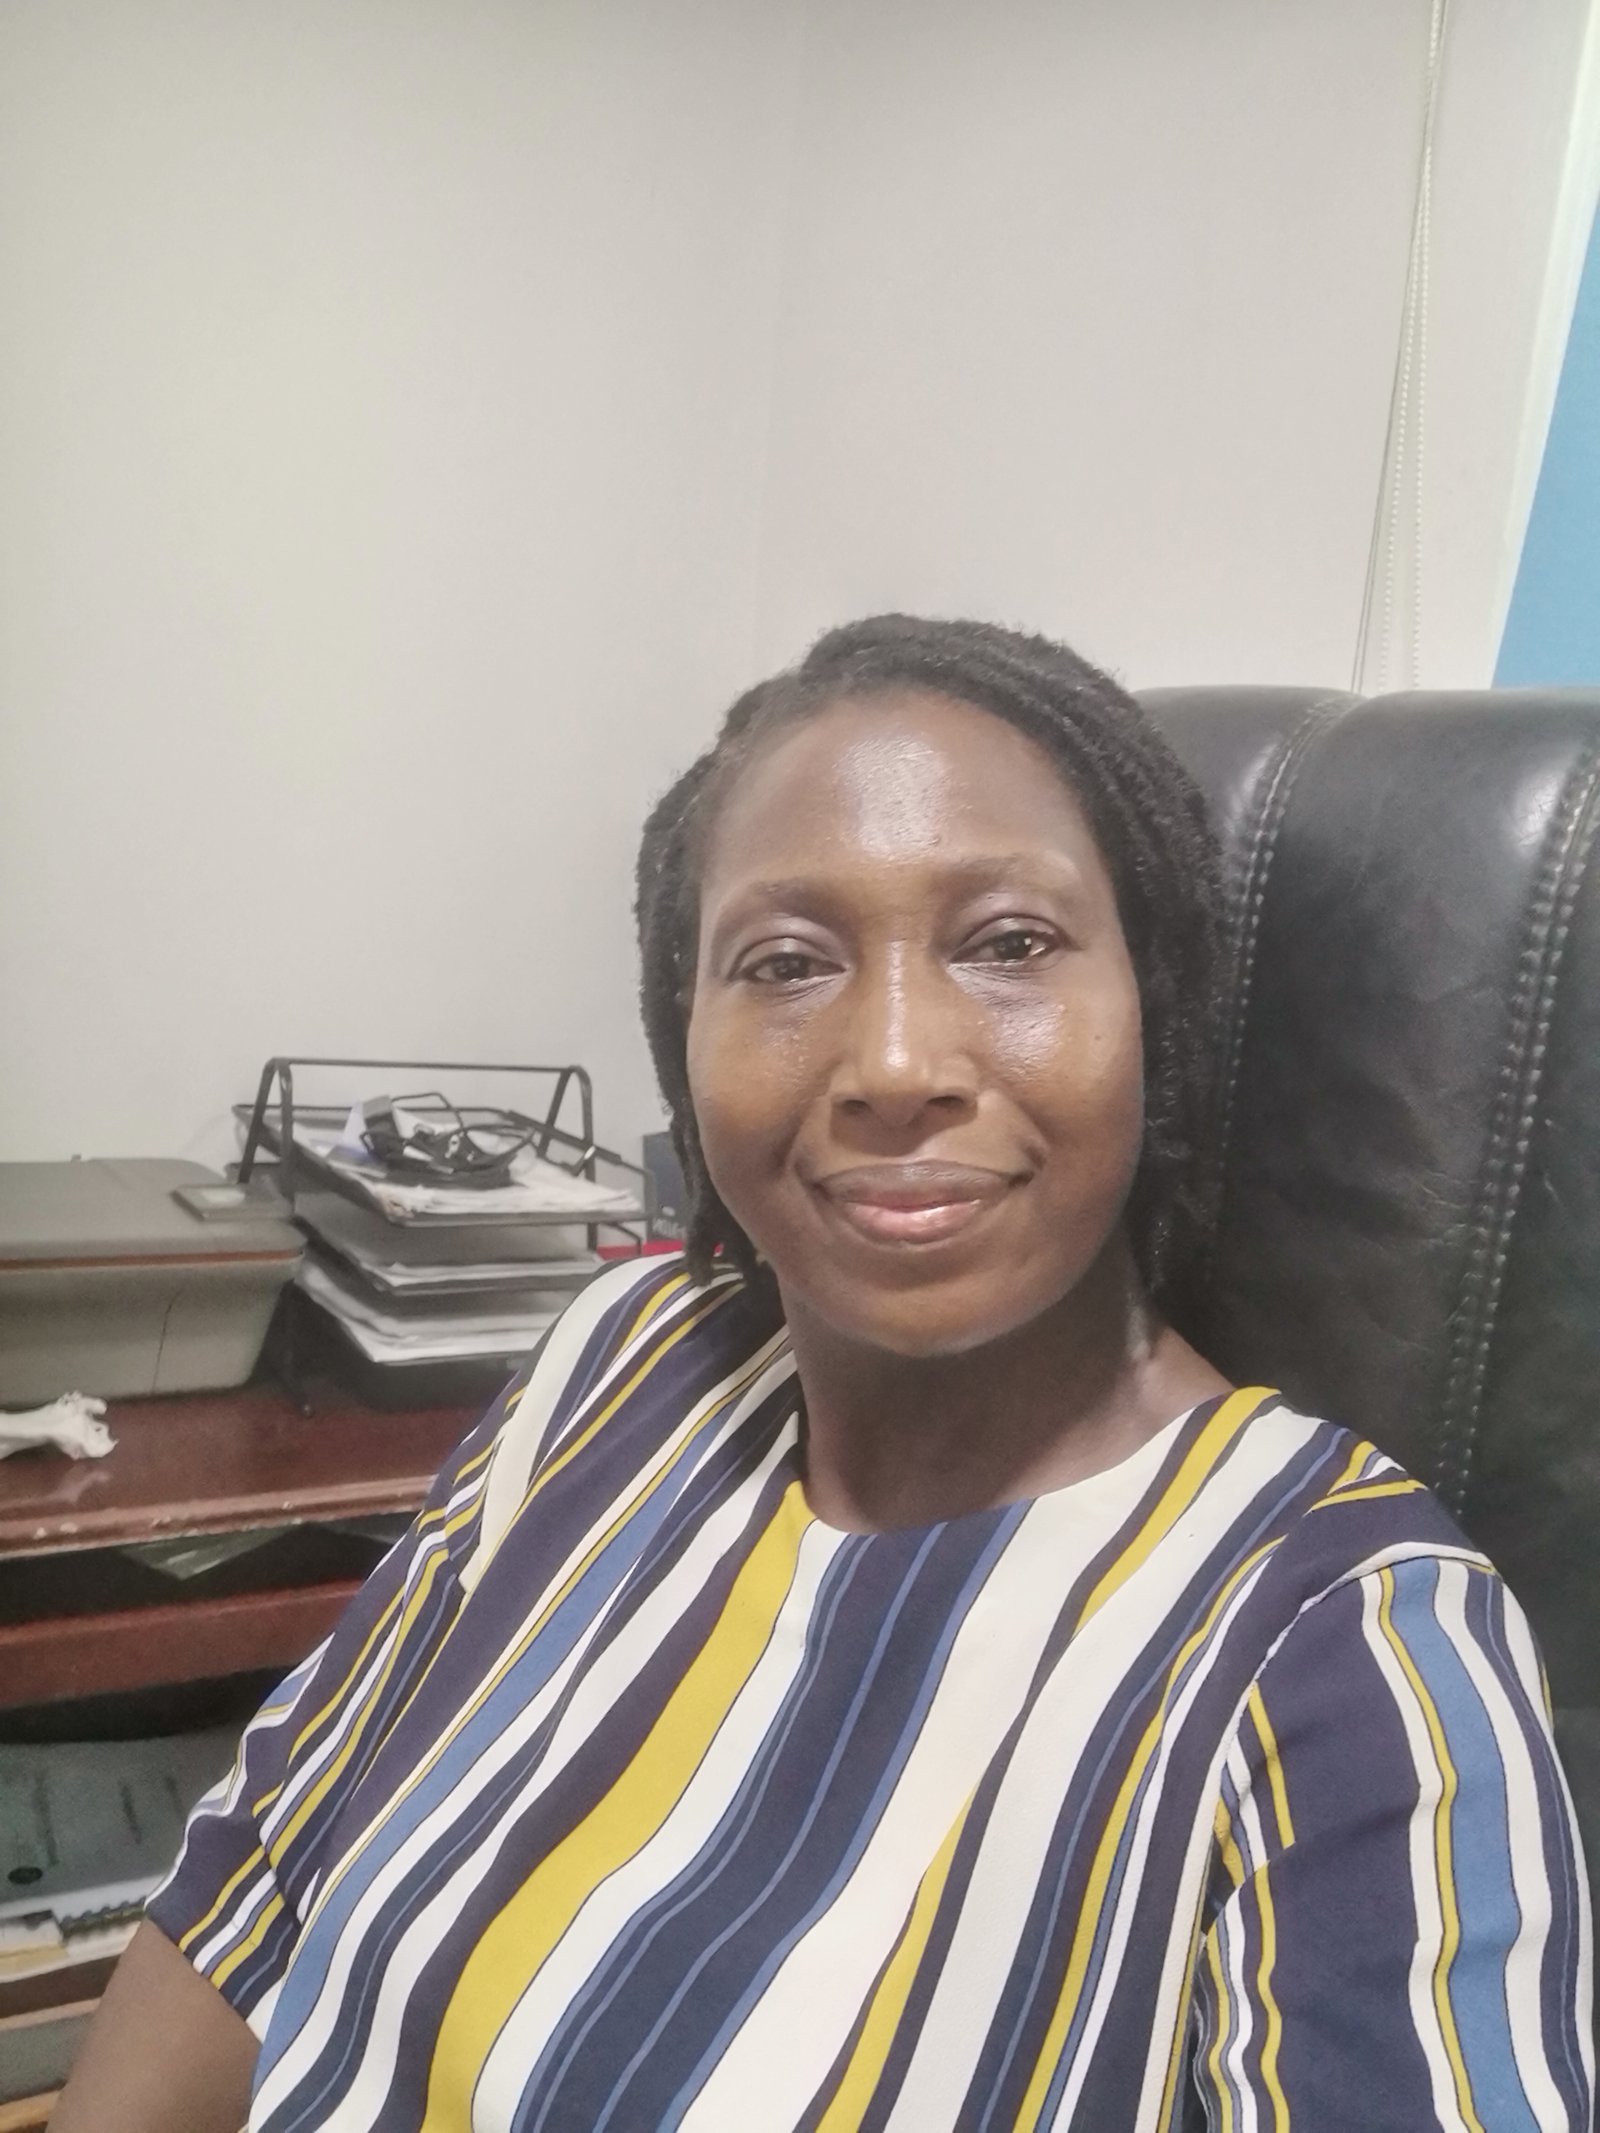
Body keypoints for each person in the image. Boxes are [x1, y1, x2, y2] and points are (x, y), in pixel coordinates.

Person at [56, 616, 1593, 2131]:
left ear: (1156, 1015)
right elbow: (263, 1875)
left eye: (1008, 942)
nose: (894, 1062)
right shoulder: (624, 1358)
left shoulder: (1350, 1642)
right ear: (684, 1040)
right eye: (786, 962)